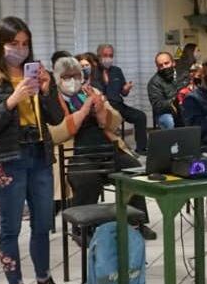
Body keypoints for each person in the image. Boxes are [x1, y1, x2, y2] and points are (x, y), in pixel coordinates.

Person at [0, 16, 74, 284]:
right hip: (8, 159)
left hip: (39, 154)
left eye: (24, 44)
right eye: (13, 43)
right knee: (10, 228)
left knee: (43, 224)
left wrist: (46, 90)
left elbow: (57, 117)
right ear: (0, 45)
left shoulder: (34, 74)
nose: (20, 49)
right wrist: (12, 101)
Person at [43, 55, 156, 240]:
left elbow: (116, 119)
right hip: (75, 153)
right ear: (58, 79)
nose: (73, 81)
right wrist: (84, 110)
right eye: (67, 77)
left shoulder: (91, 90)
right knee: (87, 179)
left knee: (133, 170)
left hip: (106, 147)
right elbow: (55, 133)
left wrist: (101, 108)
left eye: (76, 76)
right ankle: (83, 227)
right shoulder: (52, 99)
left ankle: (136, 221)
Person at [95, 44, 147, 151]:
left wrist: (126, 88)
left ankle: (141, 148)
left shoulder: (117, 71)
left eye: (111, 55)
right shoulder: (93, 72)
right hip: (103, 106)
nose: (108, 58)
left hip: (118, 105)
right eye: (105, 55)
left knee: (140, 116)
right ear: (98, 56)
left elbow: (123, 93)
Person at [147, 51, 181, 130]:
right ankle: (173, 142)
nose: (164, 67)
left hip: (185, 109)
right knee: (170, 122)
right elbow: (158, 105)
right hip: (166, 113)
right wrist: (174, 101)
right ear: (157, 67)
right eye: (160, 65)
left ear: (173, 63)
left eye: (166, 63)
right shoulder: (154, 82)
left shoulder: (182, 75)